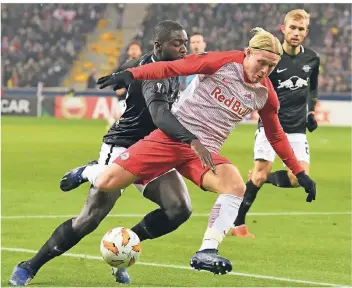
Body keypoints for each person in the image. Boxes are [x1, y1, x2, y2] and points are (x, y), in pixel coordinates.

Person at [60, 27, 317, 275]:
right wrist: (133, 74)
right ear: (248, 53)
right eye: (261, 62)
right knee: (106, 182)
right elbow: (174, 67)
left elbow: (275, 134)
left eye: (271, 67)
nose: (265, 71)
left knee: (235, 185)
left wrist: (298, 171)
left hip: (202, 152)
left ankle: (206, 251)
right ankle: (87, 171)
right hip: (172, 138)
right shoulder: (222, 62)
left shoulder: (265, 94)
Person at [9, 20, 212, 286]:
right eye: (177, 43)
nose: (184, 48)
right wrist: (193, 140)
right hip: (123, 147)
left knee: (179, 209)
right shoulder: (153, 73)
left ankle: (122, 246)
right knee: (89, 220)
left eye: (185, 42)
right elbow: (160, 115)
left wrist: (124, 73)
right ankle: (30, 265)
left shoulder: (171, 66)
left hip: (153, 149)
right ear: (158, 46)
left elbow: (128, 72)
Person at [231, 9, 320, 238]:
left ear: (306, 32)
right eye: (292, 27)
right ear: (283, 29)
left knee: (298, 178)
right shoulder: (272, 58)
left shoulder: (312, 58)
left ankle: (258, 178)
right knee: (260, 175)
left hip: (297, 129)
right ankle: (238, 224)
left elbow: (312, 87)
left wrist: (310, 112)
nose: (296, 33)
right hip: (271, 126)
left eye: (301, 29)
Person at [107, 41, 143, 126]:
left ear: (141, 52)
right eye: (132, 49)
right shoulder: (122, 67)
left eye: (136, 49)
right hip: (124, 100)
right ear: (128, 52)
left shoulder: (144, 66)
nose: (134, 51)